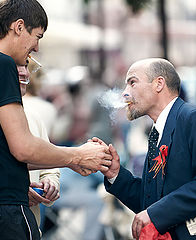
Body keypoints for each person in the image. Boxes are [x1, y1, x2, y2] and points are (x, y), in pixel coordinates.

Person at [0, 1, 112, 239]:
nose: (37, 48)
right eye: (37, 36)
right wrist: (78, 156)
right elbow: (23, 148)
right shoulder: (4, 65)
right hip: (8, 213)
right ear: (19, 27)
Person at [95, 58, 196, 240]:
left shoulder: (195, 118)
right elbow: (150, 202)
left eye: (132, 82)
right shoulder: (158, 132)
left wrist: (155, 213)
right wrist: (115, 174)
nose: (125, 93)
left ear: (159, 84)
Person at [18, 64, 60, 233]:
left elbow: (50, 166)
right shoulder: (47, 108)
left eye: (26, 66)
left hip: (29, 225)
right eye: (17, 66)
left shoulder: (33, 115)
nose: (24, 72)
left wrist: (50, 184)